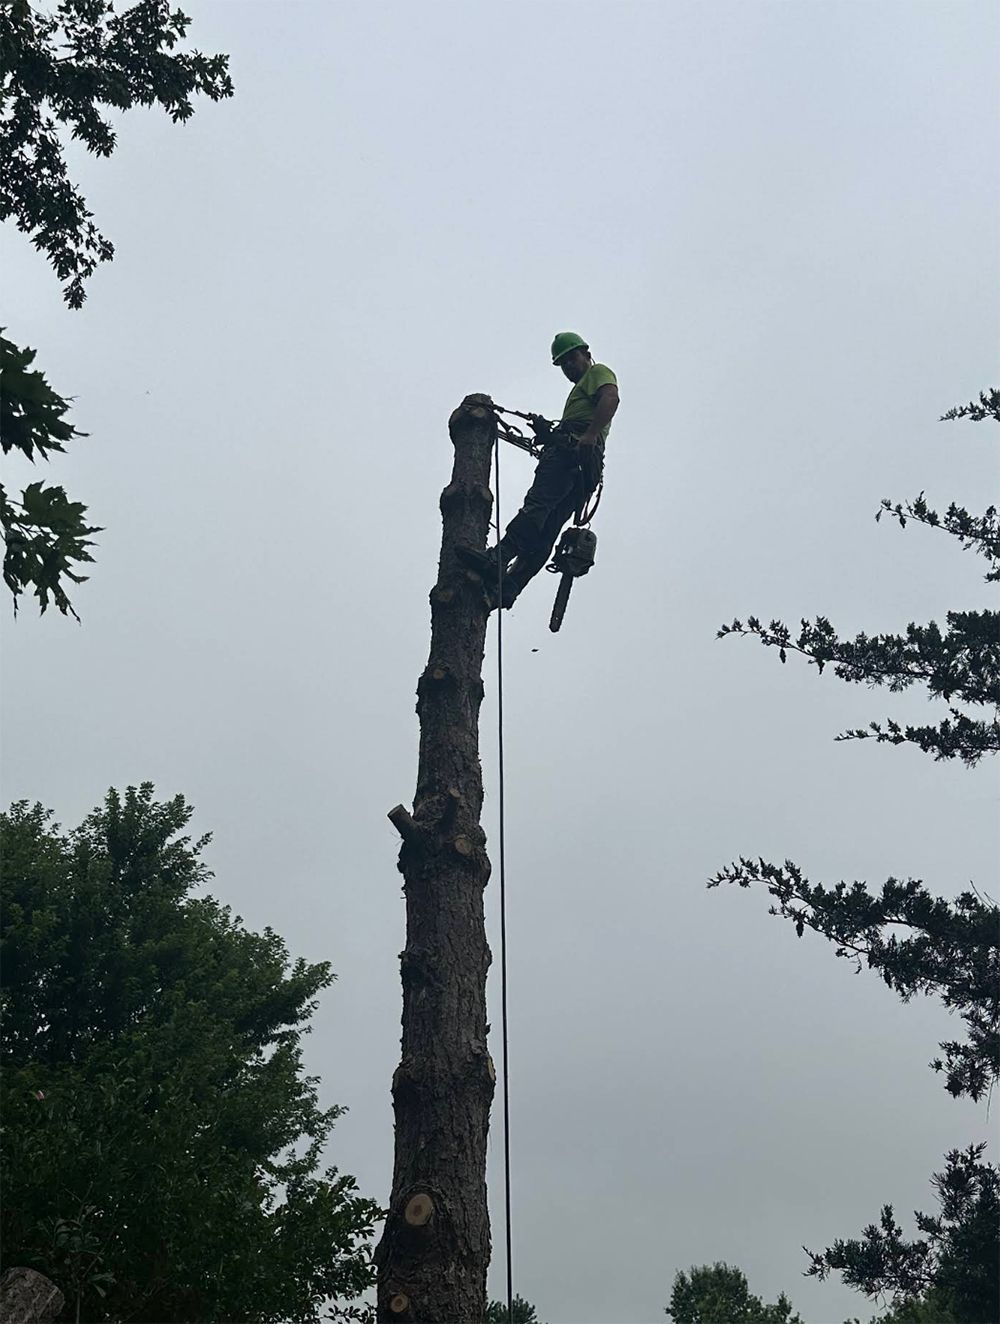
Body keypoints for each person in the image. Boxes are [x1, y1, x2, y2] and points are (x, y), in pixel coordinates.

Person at [458, 332, 620, 608]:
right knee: (547, 528)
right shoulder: (579, 391)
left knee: (537, 507)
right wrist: (549, 434)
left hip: (573, 454)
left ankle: (498, 558)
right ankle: (511, 585)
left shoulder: (598, 373)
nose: (569, 367)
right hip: (583, 465)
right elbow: (575, 430)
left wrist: (590, 434)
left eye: (572, 359)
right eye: (563, 364)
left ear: (585, 352)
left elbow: (611, 399)